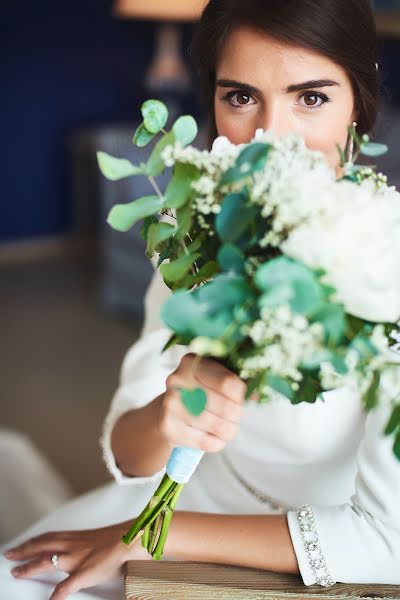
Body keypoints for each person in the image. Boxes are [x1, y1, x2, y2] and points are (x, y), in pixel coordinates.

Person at [2, 1, 400, 598]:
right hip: (165, 501)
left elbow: (388, 543)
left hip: (310, 554)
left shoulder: (385, 259)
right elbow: (130, 453)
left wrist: (155, 535)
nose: (270, 138)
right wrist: (169, 415)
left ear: (358, 106)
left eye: (310, 98)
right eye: (240, 97)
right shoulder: (193, 229)